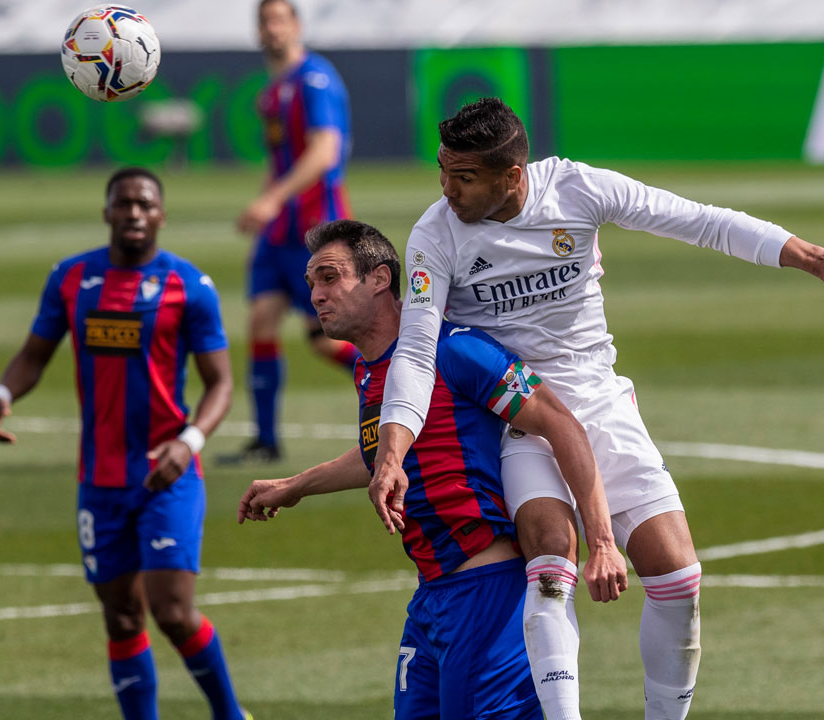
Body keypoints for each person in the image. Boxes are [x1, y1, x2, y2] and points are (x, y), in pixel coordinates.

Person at [370, 97, 824, 720]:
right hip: (517, 415)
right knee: (550, 561)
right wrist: (393, 452)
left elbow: (700, 220)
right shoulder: (435, 234)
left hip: (599, 398)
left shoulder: (579, 189)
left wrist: (810, 257)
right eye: (442, 171)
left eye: (463, 177)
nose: (446, 190)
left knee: (678, 577)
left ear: (513, 175)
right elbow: (418, 349)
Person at [237, 219, 629, 719]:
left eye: (330, 277)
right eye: (311, 282)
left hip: (486, 593)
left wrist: (600, 541)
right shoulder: (368, 369)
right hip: (432, 596)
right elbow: (383, 457)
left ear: (380, 278)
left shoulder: (455, 350)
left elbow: (562, 425)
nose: (315, 294)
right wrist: (295, 486)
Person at [0, 167, 250, 720]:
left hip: (166, 473)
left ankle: (229, 714)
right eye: (123, 203)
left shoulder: (188, 286)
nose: (134, 213)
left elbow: (220, 382)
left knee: (173, 612)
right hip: (99, 480)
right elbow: (34, 354)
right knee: (122, 617)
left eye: (145, 204)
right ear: (106, 212)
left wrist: (191, 441)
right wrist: (5, 391)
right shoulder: (72, 278)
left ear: (161, 216)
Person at [223, 0, 359, 464]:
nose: (271, 29)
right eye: (264, 21)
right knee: (261, 320)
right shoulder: (272, 91)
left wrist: (272, 199)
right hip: (278, 230)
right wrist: (263, 202)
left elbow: (324, 152)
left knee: (324, 339)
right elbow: (279, 161)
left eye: (279, 20)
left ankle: (400, 391)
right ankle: (266, 441)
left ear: (296, 26)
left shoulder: (314, 79)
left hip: (314, 227)